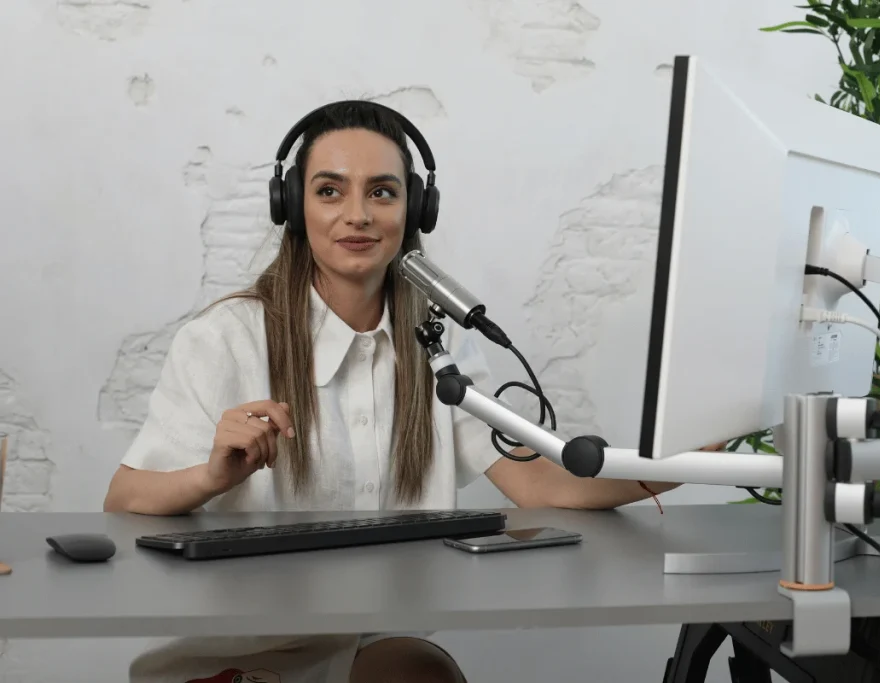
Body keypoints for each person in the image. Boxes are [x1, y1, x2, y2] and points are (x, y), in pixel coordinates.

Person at [103, 100, 718, 683]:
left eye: (382, 192)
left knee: (422, 673)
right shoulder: (224, 339)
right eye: (329, 190)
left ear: (415, 208)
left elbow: (540, 480)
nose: (359, 215)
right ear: (292, 205)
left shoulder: (441, 342)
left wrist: (707, 456)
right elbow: (124, 499)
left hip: (369, 647)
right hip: (244, 651)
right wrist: (212, 477)